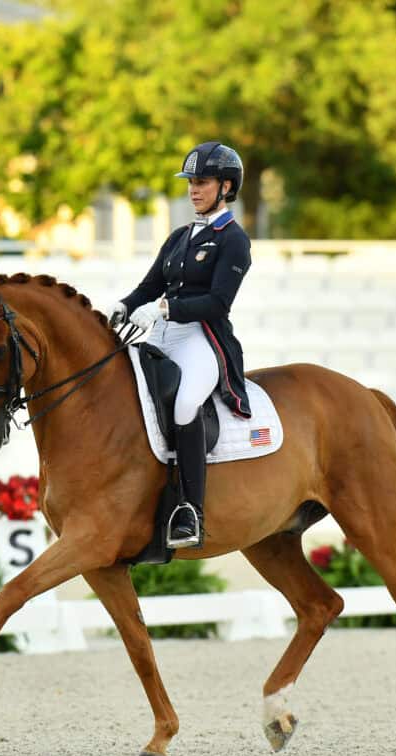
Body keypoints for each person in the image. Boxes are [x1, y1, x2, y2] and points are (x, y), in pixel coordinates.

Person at [109, 141, 253, 549]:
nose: (193, 189)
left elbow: (218, 301)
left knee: (186, 403)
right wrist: (123, 305)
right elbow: (150, 285)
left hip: (201, 338)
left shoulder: (233, 240)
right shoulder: (178, 237)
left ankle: (191, 510)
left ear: (226, 187)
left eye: (202, 182)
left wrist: (164, 310)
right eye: (191, 182)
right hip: (161, 334)